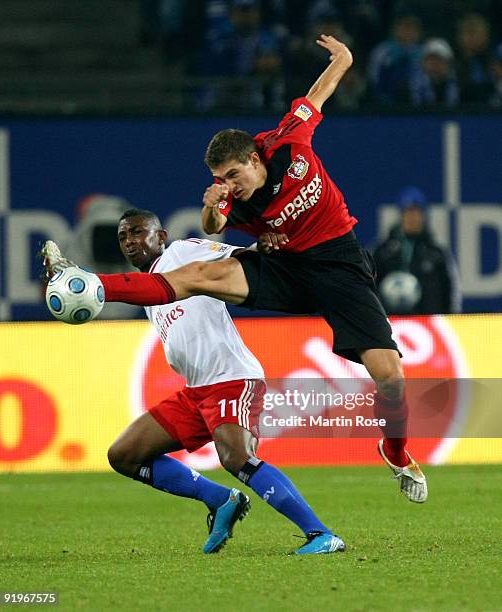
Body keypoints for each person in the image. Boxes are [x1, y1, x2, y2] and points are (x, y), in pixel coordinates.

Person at [45, 35, 428, 505]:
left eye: (232, 176)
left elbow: (315, 98)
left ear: (254, 159)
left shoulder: (289, 142)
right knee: (200, 275)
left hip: (339, 264)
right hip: (286, 267)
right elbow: (215, 226)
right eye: (217, 180)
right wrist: (212, 209)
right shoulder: (228, 197)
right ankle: (93, 286)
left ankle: (396, 450)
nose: (227, 186)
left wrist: (346, 58)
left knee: (389, 377)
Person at [42, 209, 346, 556]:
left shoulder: (183, 253)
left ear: (161, 236)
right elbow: (130, 291)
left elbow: (239, 257)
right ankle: (220, 500)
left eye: (138, 232)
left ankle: (322, 534)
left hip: (233, 378)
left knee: (237, 457)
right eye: (124, 237)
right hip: (197, 392)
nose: (130, 242)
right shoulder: (150, 285)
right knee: (124, 455)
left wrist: (261, 248)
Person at [372, 187, 462, 315]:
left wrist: (451, 320)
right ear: (401, 214)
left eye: (417, 212)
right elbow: (368, 285)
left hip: (428, 323)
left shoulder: (436, 253)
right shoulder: (382, 251)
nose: (413, 217)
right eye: (408, 212)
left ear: (423, 215)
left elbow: (451, 291)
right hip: (390, 323)